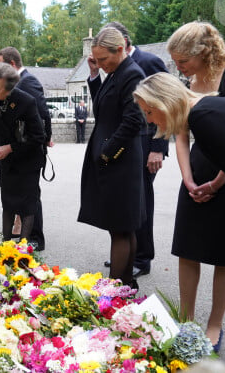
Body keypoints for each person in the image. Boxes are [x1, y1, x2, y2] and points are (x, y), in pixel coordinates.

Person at [132, 72, 225, 364]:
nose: (149, 121)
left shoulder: (204, 115)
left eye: (150, 112)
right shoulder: (199, 112)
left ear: (164, 102)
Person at [166, 21, 225, 350]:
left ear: (204, 53)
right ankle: (185, 322)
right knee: (187, 250)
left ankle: (214, 325)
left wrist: (217, 182)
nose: (179, 67)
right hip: (196, 173)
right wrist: (188, 178)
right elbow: (181, 133)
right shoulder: (189, 81)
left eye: (183, 61)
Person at [78, 27, 146, 289]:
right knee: (121, 227)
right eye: (98, 61)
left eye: (104, 59)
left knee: (121, 227)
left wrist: (107, 153)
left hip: (120, 160)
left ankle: (116, 289)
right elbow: (104, 105)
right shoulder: (117, 72)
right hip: (113, 158)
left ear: (120, 50)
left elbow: (133, 121)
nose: (102, 65)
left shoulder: (132, 75)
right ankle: (125, 286)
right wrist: (95, 74)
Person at [102, 21, 170, 278]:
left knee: (142, 202)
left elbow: (166, 105)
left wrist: (158, 147)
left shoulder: (149, 61)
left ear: (122, 43)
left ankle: (142, 257)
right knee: (128, 204)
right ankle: (128, 255)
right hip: (126, 145)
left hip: (146, 144)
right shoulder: (114, 67)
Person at [0, 46, 52, 251]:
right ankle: (21, 236)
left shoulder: (29, 82)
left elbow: (43, 114)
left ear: (11, 65)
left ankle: (35, 238)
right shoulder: (10, 84)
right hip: (13, 151)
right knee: (17, 196)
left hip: (27, 150)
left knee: (30, 197)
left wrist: (47, 139)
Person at [0, 62, 45, 242]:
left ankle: (22, 248)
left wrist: (10, 148)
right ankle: (6, 245)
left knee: (27, 206)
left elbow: (38, 137)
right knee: (8, 204)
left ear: (9, 89)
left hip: (28, 158)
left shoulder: (26, 102)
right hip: (6, 161)